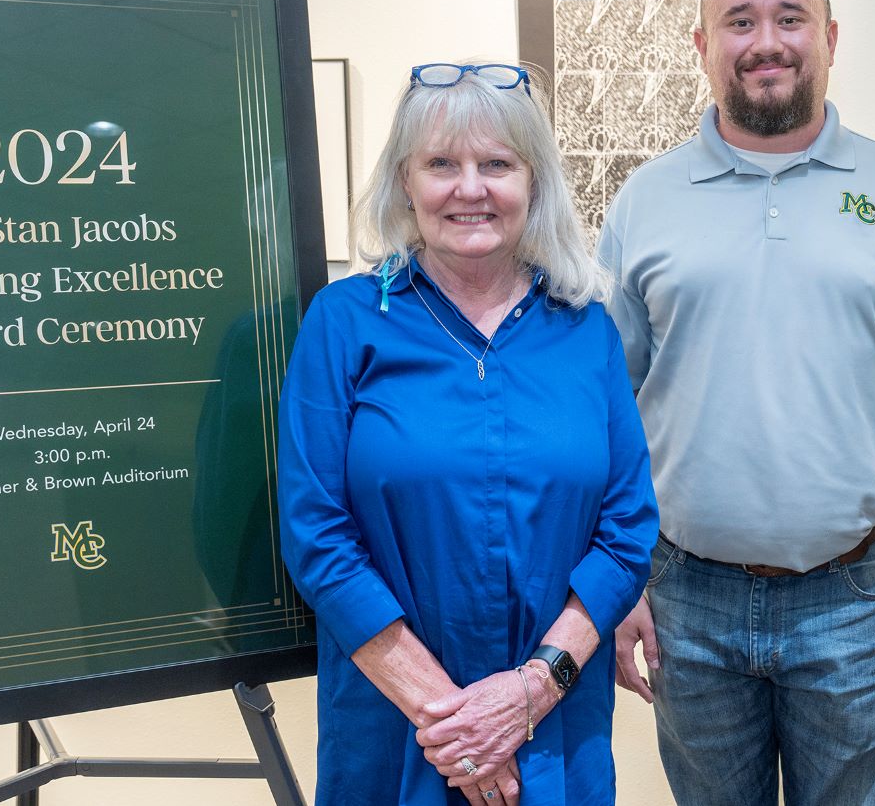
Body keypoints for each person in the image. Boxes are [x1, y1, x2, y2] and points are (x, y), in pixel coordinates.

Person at [599, 0, 875, 805]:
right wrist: (614, 576)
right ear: (702, 46)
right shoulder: (645, 200)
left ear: (831, 37)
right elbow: (606, 405)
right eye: (739, 20)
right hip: (685, 595)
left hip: (855, 595)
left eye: (790, 18)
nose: (766, 41)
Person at [278, 62, 657, 806]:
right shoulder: (344, 322)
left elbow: (627, 531)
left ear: (534, 183)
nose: (470, 187)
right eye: (442, 164)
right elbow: (314, 532)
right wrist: (454, 725)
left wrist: (528, 694)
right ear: (405, 181)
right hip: (397, 728)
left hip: (553, 725)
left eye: (496, 164)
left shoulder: (586, 331)